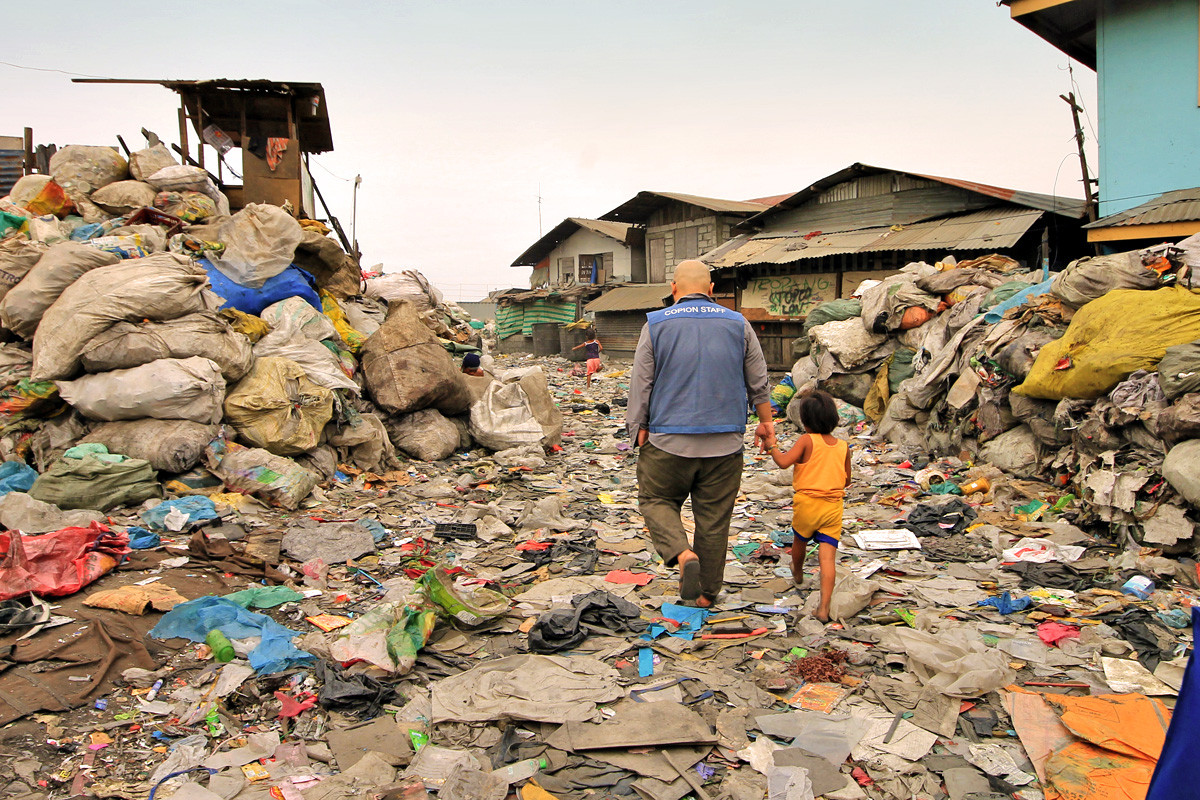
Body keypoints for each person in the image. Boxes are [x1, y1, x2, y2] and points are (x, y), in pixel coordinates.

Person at [627, 260, 774, 608]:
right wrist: (766, 424)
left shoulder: (656, 324)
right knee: (713, 519)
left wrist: (638, 429)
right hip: (725, 443)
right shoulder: (739, 324)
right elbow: (759, 380)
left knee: (656, 500)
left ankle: (681, 554)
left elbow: (641, 382)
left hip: (667, 440)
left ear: (673, 289)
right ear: (711, 290)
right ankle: (707, 593)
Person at [765, 390, 850, 623]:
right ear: (833, 417)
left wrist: (772, 445)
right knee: (827, 559)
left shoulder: (806, 441)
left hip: (807, 504)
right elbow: (847, 480)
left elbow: (783, 462)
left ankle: (798, 571)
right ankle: (824, 607)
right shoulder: (843, 446)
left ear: (804, 420)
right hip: (833, 506)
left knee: (800, 539)